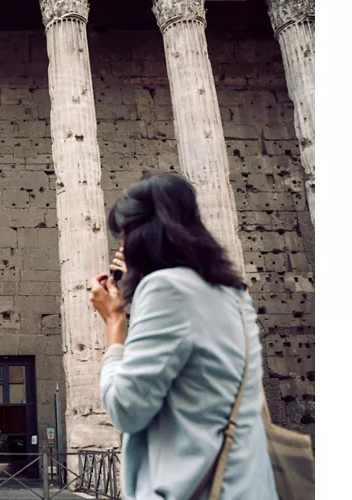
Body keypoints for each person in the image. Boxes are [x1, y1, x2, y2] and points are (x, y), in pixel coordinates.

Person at [89, 173, 278, 500]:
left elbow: (126, 408)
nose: (121, 249)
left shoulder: (165, 289)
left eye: (123, 236)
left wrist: (115, 322)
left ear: (142, 235)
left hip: (192, 489)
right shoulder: (234, 295)